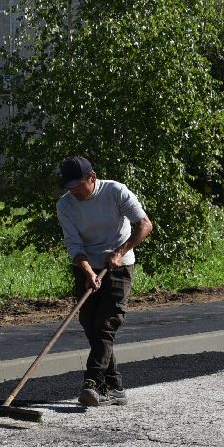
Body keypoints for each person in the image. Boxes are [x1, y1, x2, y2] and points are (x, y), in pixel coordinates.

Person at [55, 157, 153, 407]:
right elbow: (73, 244)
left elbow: (144, 225)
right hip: (86, 266)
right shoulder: (65, 205)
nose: (73, 190)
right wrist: (87, 270)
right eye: (69, 186)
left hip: (119, 266)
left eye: (78, 185)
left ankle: (92, 381)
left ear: (92, 177)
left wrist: (120, 252)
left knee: (106, 325)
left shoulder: (115, 191)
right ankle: (115, 386)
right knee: (90, 325)